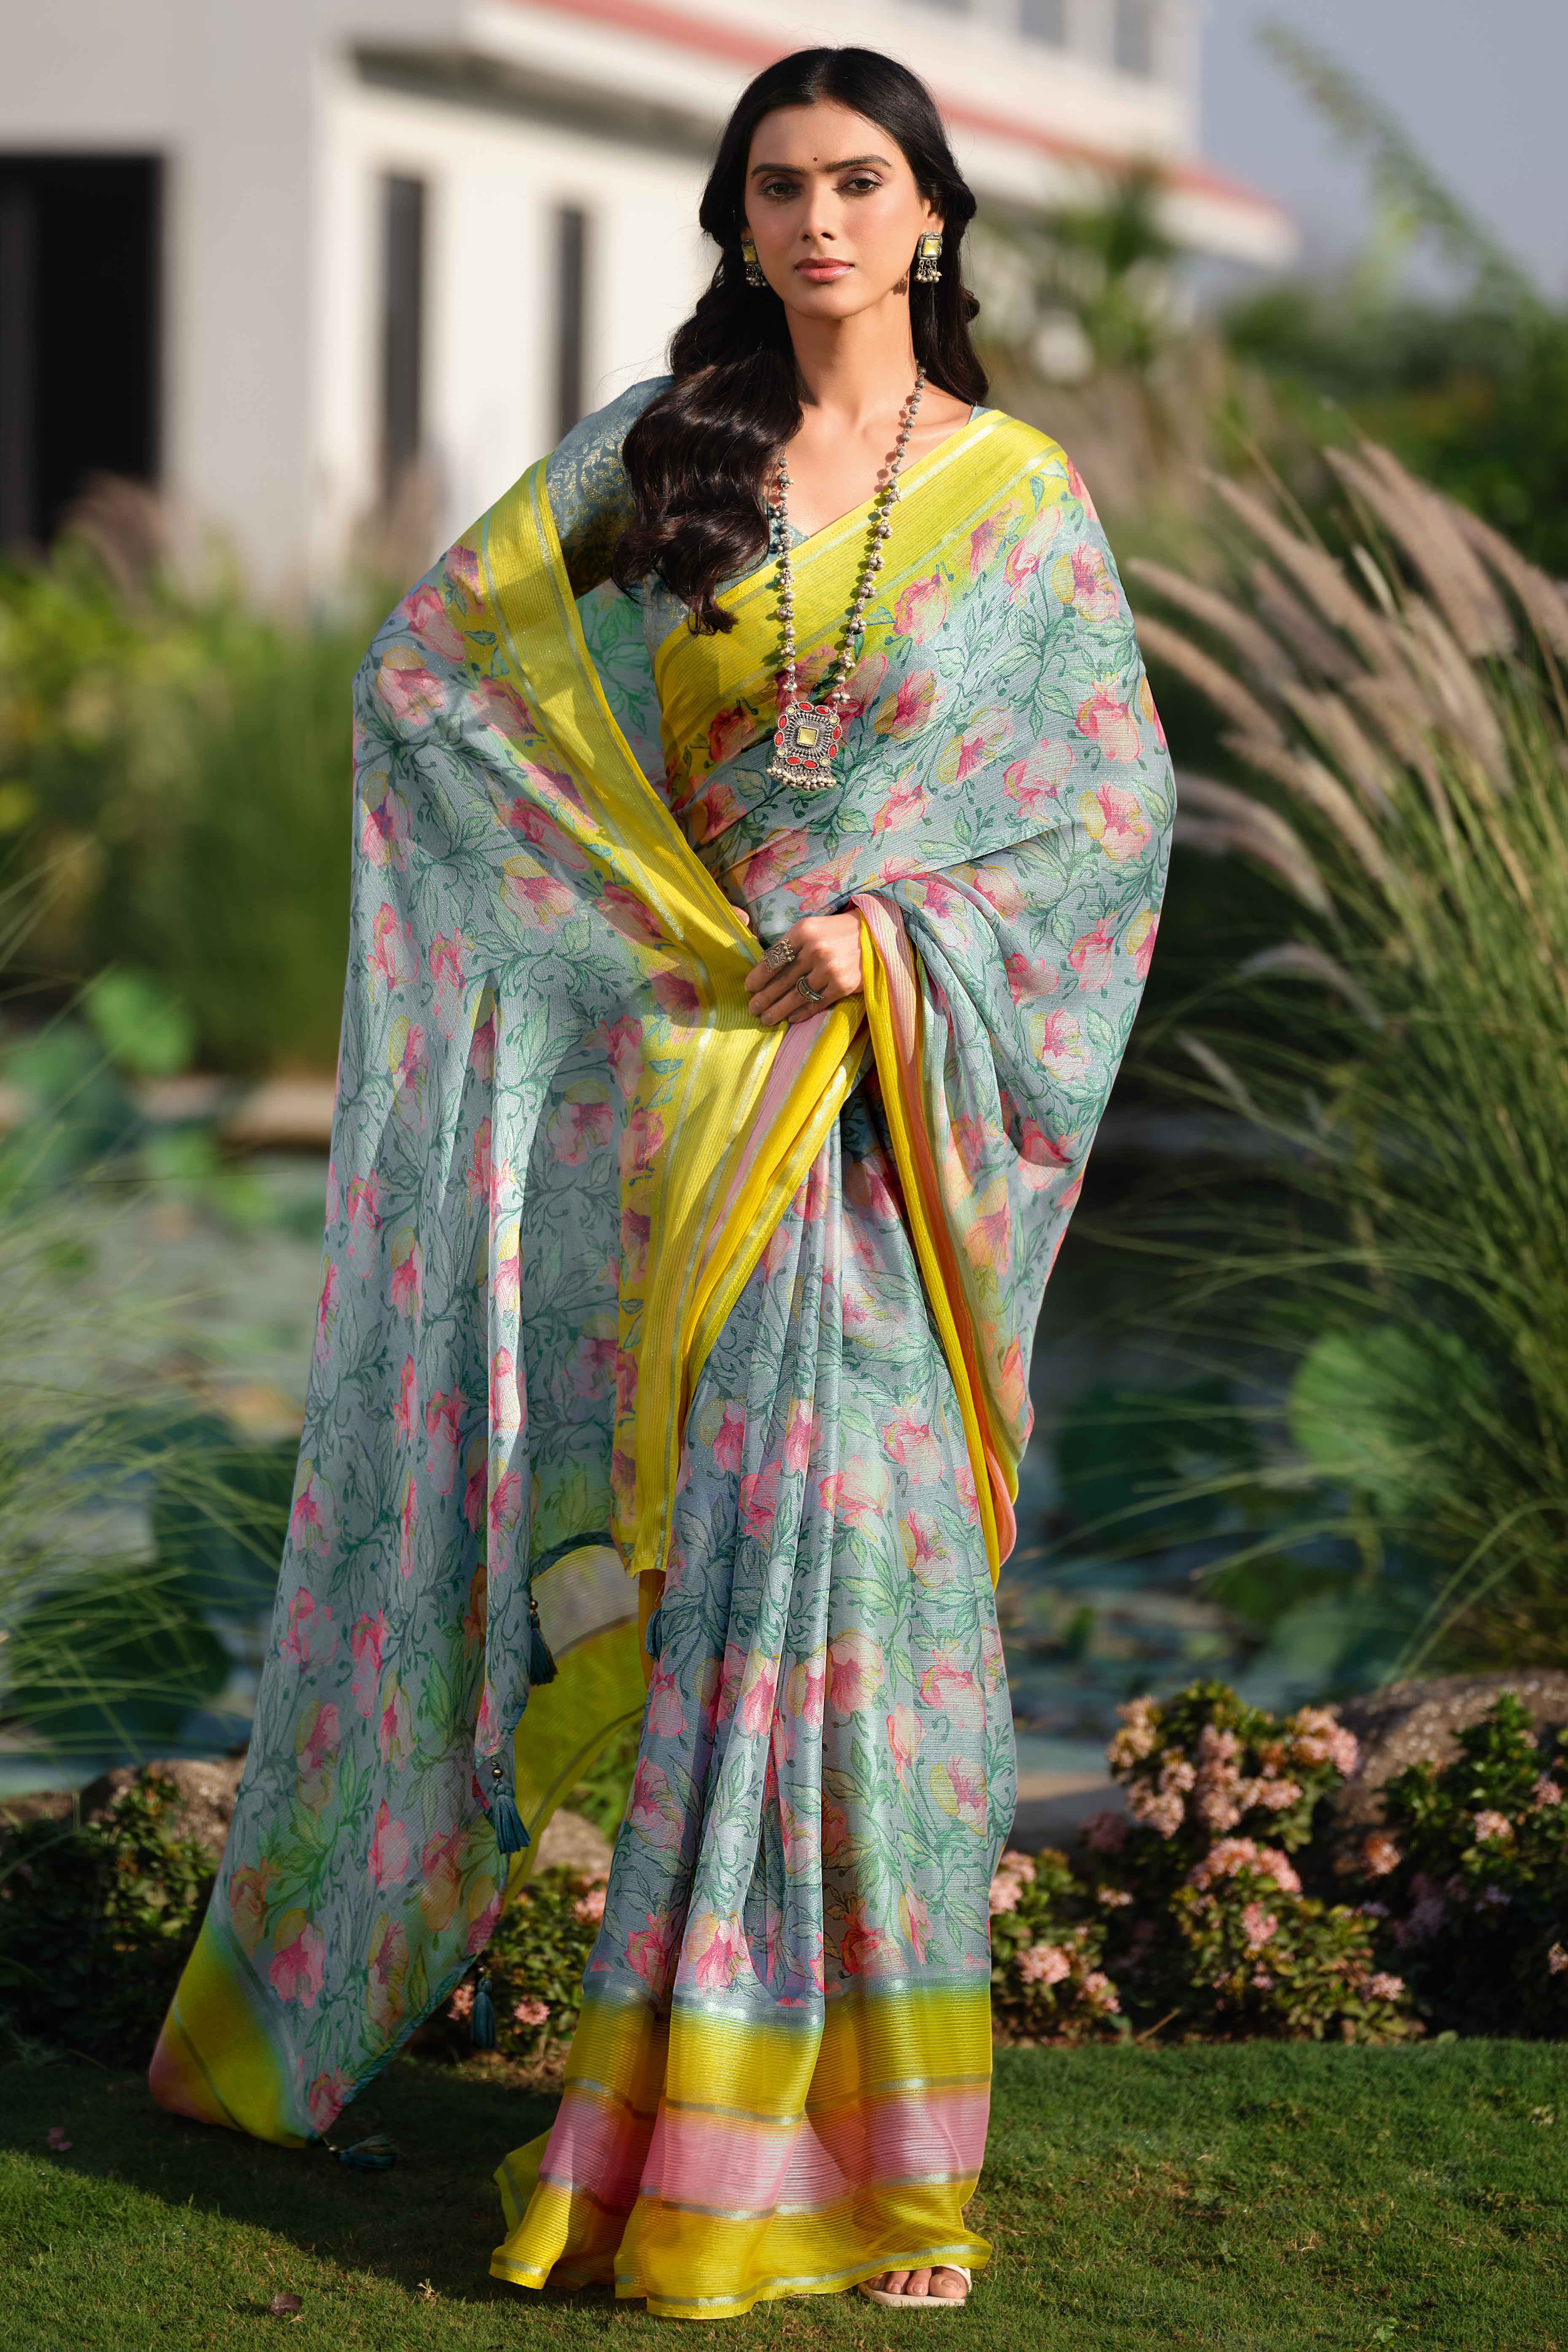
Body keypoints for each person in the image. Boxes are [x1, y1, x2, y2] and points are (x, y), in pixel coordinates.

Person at [148, 43, 1173, 2322]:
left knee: (877, 1627)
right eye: (777, 184)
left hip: (877, 1129)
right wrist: (645, 923)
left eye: (859, 180)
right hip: (676, 1109)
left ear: (933, 217)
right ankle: (679, 2128)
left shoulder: (1016, 498)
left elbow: (1105, 828)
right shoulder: (657, 459)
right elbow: (433, 689)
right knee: (708, 1620)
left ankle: (881, 2168)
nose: (816, 220)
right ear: (733, 218)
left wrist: (896, 937)